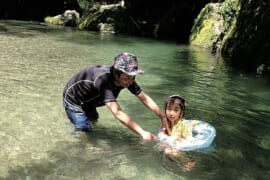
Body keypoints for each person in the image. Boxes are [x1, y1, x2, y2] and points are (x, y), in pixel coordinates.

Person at [63, 52, 166, 140]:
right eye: (127, 78)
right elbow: (118, 112)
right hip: (74, 99)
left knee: (93, 118)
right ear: (116, 73)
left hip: (91, 98)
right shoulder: (103, 81)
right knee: (83, 127)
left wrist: (162, 116)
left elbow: (143, 97)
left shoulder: (127, 78)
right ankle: (88, 147)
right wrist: (142, 133)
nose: (130, 82)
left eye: (133, 78)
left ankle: (90, 132)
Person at [156, 95, 196, 172]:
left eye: (176, 110)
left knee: (169, 152)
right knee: (160, 148)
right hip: (170, 145)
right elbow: (161, 132)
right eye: (169, 109)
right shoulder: (165, 122)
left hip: (181, 146)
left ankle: (190, 161)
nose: (171, 113)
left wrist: (175, 138)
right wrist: (161, 135)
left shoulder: (184, 124)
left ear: (181, 112)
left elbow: (189, 139)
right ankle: (168, 166)